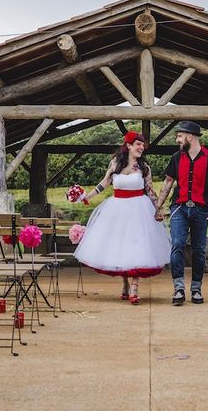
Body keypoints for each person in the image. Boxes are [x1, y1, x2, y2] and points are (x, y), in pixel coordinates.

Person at [73, 131, 170, 305]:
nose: (141, 147)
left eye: (143, 145)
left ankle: (134, 288)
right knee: (120, 245)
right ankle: (125, 283)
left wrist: (158, 209)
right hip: (117, 208)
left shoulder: (144, 168)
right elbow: (104, 183)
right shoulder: (116, 163)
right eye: (138, 144)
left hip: (139, 208)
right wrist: (88, 196)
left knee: (138, 246)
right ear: (129, 146)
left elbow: (150, 190)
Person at [155, 121, 208, 305]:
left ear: (189, 137)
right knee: (177, 245)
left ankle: (196, 289)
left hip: (201, 211)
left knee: (199, 250)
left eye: (179, 136)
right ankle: (178, 288)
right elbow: (168, 183)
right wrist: (158, 208)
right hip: (179, 208)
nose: (177, 139)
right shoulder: (176, 157)